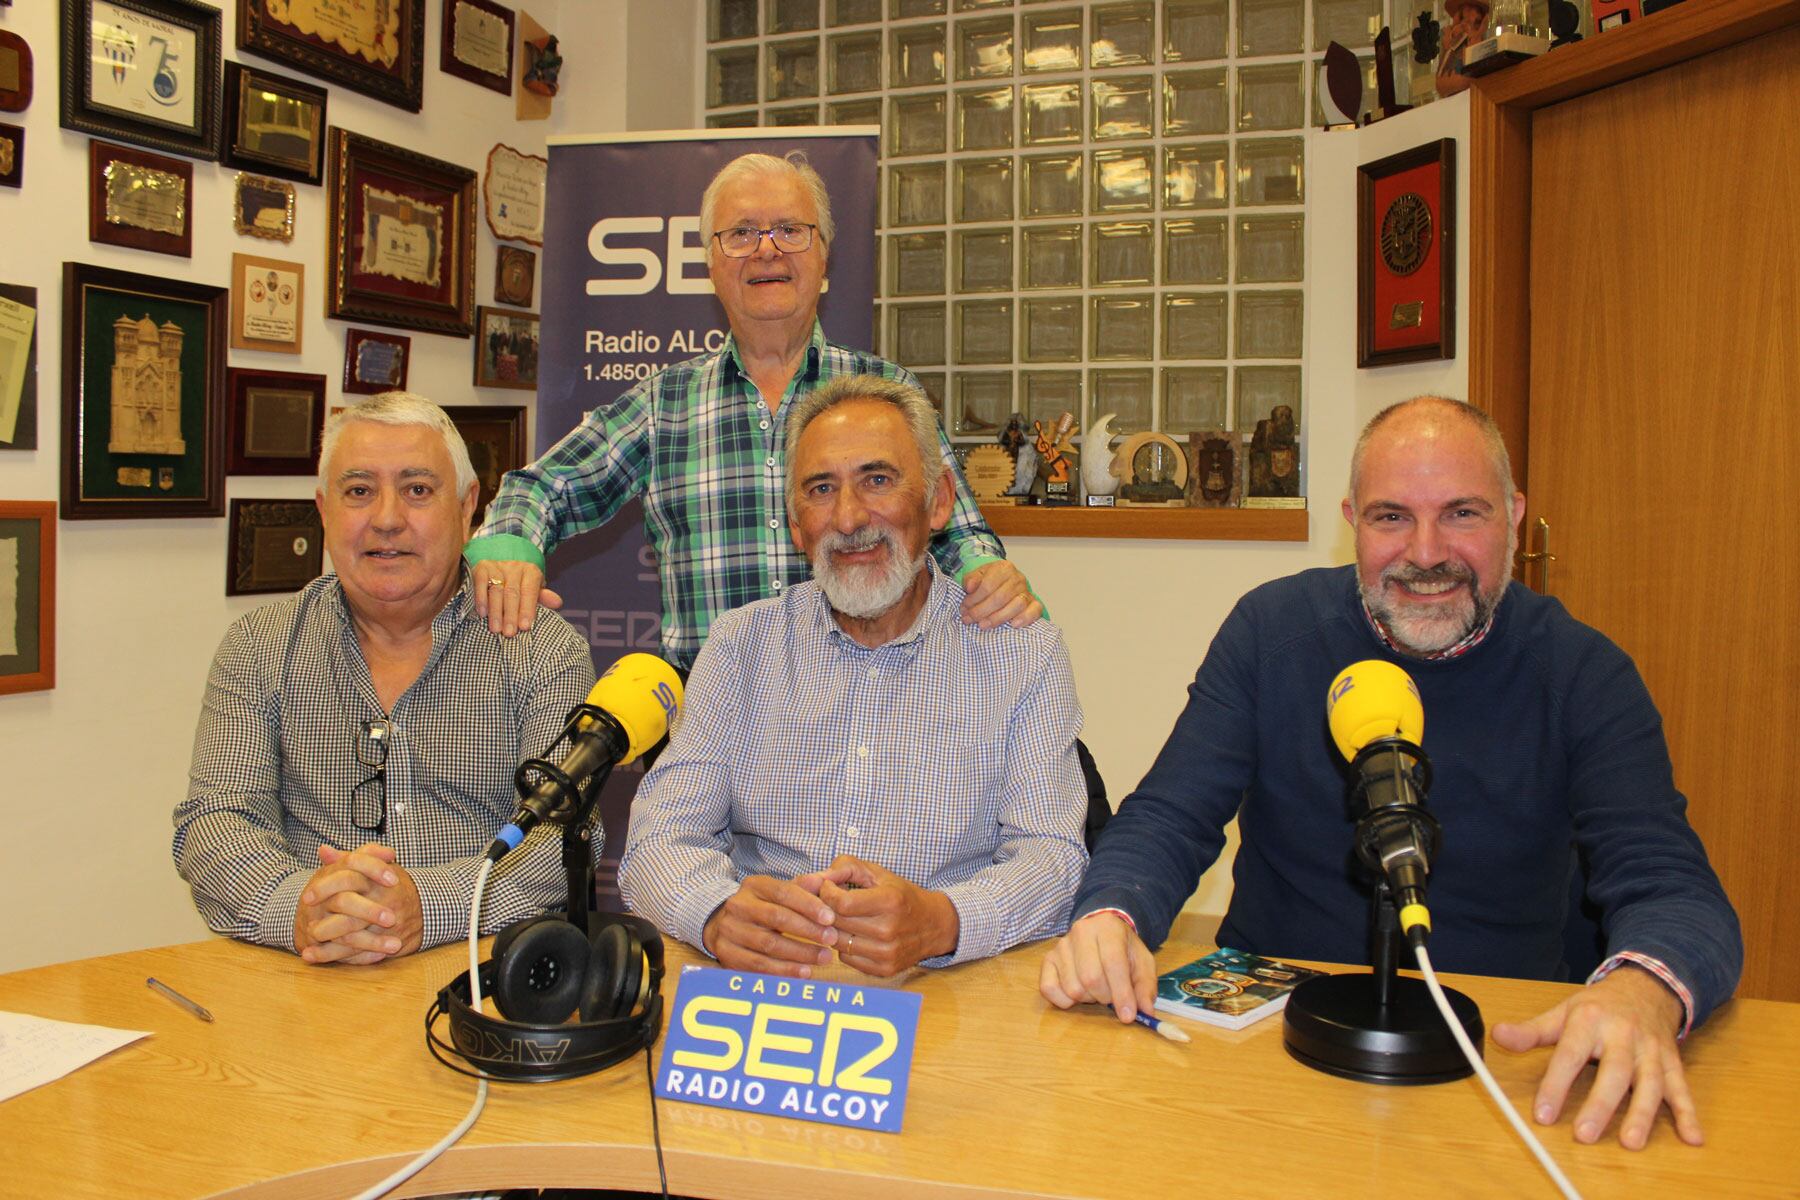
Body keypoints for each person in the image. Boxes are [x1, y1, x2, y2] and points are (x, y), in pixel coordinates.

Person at [1040, 396, 1740, 1151]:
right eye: (1391, 517)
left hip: (1495, 1060)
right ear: (1353, 521)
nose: (1427, 552)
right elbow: (1170, 816)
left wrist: (1644, 991)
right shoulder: (1272, 632)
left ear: (1514, 514)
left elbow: (1672, 883)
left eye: (1463, 513)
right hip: (1268, 1044)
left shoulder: (1583, 673)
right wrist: (1110, 915)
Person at [465, 150, 1041, 669]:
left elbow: (961, 532)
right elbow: (538, 489)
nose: (766, 248)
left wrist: (985, 575)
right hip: (710, 744)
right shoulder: (662, 404)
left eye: (790, 229)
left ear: (823, 257)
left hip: (868, 728)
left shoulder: (886, 391)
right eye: (740, 233)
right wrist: (509, 549)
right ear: (711, 265)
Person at [618, 376, 1088, 978]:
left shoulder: (1021, 652)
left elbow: (1054, 858)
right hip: (767, 988)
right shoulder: (742, 647)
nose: (848, 517)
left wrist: (944, 921)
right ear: (795, 524)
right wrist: (713, 912)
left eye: (878, 480)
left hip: (942, 990)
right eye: (820, 489)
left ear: (939, 500)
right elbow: (658, 840)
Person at [173, 393, 598, 965]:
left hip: (478, 974)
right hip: (302, 971)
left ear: (467, 505)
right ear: (324, 509)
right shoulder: (259, 646)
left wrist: (428, 904)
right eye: (359, 491)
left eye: (417, 489)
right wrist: (298, 906)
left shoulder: (542, 650)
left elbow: (564, 835)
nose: (387, 518)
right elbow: (216, 821)